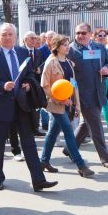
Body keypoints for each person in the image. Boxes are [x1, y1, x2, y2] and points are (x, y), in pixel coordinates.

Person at [0, 23, 58, 192]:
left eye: (10, 34)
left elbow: (29, 74)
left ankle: (38, 180)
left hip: (21, 105)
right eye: (4, 35)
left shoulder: (23, 52)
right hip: (1, 106)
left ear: (15, 36)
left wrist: (28, 85)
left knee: (29, 143)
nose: (7, 37)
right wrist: (2, 86)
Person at [40, 35, 95, 177]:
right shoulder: (50, 63)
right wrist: (60, 100)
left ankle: (44, 161)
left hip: (68, 103)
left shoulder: (69, 63)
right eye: (64, 45)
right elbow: (45, 86)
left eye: (67, 44)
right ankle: (81, 165)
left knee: (53, 133)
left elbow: (73, 85)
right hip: (55, 104)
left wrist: (76, 104)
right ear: (57, 47)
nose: (67, 47)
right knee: (69, 133)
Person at [67, 23, 108, 169]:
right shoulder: (71, 50)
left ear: (90, 34)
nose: (80, 36)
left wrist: (107, 69)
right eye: (78, 33)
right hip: (82, 94)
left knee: (86, 124)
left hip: (99, 91)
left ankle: (69, 148)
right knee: (96, 126)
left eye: (84, 33)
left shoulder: (100, 47)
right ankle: (105, 158)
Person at [23, 31, 48, 134]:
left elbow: (43, 64)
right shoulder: (21, 51)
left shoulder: (38, 52)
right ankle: (26, 128)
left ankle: (35, 128)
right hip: (25, 83)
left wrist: (40, 69)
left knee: (36, 105)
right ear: (25, 40)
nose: (35, 40)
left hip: (36, 82)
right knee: (26, 105)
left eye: (35, 38)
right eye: (32, 38)